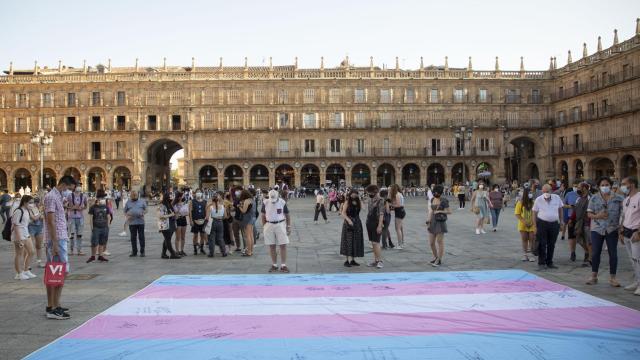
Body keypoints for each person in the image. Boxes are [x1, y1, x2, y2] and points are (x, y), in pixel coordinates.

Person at [44, 175, 77, 320]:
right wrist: (55, 243)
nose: (68, 192)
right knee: (60, 273)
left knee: (55, 273)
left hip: (59, 238)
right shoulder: (52, 196)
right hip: (56, 240)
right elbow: (50, 221)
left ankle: (52, 305)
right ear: (63, 184)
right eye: (68, 189)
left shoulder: (57, 196)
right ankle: (54, 308)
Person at [586, 176, 624, 286]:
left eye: (607, 185)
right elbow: (589, 214)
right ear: (598, 187)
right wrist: (598, 215)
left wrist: (621, 228)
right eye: (602, 185)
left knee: (613, 254)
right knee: (595, 253)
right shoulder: (594, 198)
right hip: (597, 229)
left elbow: (624, 214)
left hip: (612, 229)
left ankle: (613, 278)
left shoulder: (618, 198)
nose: (605, 187)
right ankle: (594, 276)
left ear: (611, 185)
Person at [532, 184, 564, 271]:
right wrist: (534, 225)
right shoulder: (538, 200)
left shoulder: (557, 198)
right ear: (542, 191)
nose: (546, 193)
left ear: (551, 191)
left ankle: (549, 262)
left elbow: (560, 209)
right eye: (545, 191)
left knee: (551, 244)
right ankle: (541, 263)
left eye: (548, 191)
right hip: (542, 223)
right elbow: (534, 213)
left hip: (554, 224)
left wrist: (561, 221)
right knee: (542, 243)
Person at [261, 190, 292, 273]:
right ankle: (274, 264)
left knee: (283, 245)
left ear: (278, 196)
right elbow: (263, 215)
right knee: (271, 246)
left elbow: (287, 214)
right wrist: (264, 226)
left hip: (280, 224)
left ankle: (283, 265)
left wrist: (288, 226)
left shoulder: (282, 202)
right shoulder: (265, 202)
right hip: (269, 224)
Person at [620, 176, 640, 295]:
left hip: (635, 232)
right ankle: (637, 281)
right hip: (626, 231)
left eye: (623, 183)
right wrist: (621, 231)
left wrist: (638, 231)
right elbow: (624, 216)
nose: (622, 186)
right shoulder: (626, 199)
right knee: (632, 259)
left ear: (631, 184)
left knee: (638, 259)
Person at [12, 195, 37, 280]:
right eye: (30, 202)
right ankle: (19, 273)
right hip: (19, 235)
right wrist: (19, 239)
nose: (32, 204)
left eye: (32, 202)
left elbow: (30, 220)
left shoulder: (27, 210)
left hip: (26, 234)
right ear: (24, 202)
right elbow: (16, 225)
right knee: (19, 254)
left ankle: (26, 270)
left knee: (31, 252)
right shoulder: (18, 211)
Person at [426, 185, 451, 267]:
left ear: (440, 193)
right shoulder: (432, 199)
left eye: (436, 192)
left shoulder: (444, 200)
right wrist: (428, 220)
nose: (434, 193)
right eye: (434, 191)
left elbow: (449, 212)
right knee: (431, 243)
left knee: (440, 242)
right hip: (432, 221)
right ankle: (435, 257)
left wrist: (440, 211)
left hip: (440, 222)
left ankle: (439, 259)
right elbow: (431, 211)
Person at [86, 189, 112, 263]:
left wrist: (108, 226)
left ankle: (100, 256)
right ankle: (93, 256)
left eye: (103, 198)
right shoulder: (93, 207)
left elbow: (108, 216)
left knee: (102, 242)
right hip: (96, 227)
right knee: (94, 242)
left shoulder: (106, 207)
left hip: (104, 227)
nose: (102, 200)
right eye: (101, 198)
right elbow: (91, 218)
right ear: (97, 199)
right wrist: (92, 227)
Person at [340, 189, 364, 267]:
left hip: (357, 222)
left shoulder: (358, 202)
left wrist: (360, 199)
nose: (354, 195)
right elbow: (343, 213)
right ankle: (347, 260)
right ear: (350, 194)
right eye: (352, 194)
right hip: (348, 223)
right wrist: (349, 220)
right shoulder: (347, 202)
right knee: (348, 241)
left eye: (355, 194)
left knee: (356, 240)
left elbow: (364, 208)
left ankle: (353, 259)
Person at [365, 185, 385, 269]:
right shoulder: (370, 199)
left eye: (370, 193)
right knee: (373, 243)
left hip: (376, 223)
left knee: (376, 242)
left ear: (375, 192)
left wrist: (380, 225)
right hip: (369, 222)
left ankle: (380, 261)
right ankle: (376, 260)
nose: (369, 194)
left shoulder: (380, 200)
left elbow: (381, 214)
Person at [514, 187, 536, 262]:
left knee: (532, 239)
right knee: (524, 239)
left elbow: (536, 213)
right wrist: (524, 221)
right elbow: (517, 214)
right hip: (523, 224)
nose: (531, 194)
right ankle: (525, 254)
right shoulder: (520, 202)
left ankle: (531, 254)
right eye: (529, 192)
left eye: (531, 192)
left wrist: (533, 222)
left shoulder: (534, 202)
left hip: (532, 224)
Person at [66, 183, 87, 256]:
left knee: (79, 234)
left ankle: (79, 250)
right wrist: (72, 208)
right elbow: (64, 205)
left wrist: (81, 208)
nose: (79, 188)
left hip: (80, 217)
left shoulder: (83, 196)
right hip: (71, 217)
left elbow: (86, 206)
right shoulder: (70, 195)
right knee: (72, 234)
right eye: (78, 186)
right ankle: (71, 250)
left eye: (80, 186)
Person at [124, 190, 147, 257]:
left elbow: (146, 209)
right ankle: (134, 251)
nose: (134, 196)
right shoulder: (128, 202)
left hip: (140, 222)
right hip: (132, 222)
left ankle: (142, 251)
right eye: (133, 195)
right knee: (133, 237)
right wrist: (128, 216)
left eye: (135, 195)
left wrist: (143, 213)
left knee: (141, 237)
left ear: (138, 195)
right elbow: (125, 211)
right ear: (131, 195)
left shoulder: (142, 201)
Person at [158, 191, 180, 259]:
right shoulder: (162, 205)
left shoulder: (169, 204)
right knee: (168, 240)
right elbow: (160, 216)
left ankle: (163, 254)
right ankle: (172, 253)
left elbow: (172, 212)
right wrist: (171, 215)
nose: (171, 198)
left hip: (171, 224)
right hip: (165, 225)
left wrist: (175, 215)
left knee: (167, 239)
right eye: (170, 196)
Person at [205, 192, 227, 257]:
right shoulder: (222, 206)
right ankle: (224, 252)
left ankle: (211, 253)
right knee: (220, 238)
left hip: (213, 222)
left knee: (211, 238)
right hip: (220, 222)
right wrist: (220, 218)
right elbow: (225, 216)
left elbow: (207, 217)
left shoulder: (210, 207)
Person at [28, 197, 46, 268]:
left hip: (39, 228)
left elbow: (42, 218)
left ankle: (39, 261)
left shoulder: (41, 208)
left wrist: (41, 213)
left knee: (39, 246)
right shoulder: (29, 209)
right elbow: (34, 218)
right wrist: (40, 213)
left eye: (38, 202)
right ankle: (27, 264)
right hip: (31, 227)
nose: (36, 204)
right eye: (34, 202)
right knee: (30, 246)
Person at [190, 189, 208, 255]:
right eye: (197, 192)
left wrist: (206, 219)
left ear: (202, 193)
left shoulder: (205, 202)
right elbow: (190, 211)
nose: (198, 193)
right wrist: (191, 220)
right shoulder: (192, 201)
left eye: (200, 192)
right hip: (195, 221)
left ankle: (202, 248)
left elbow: (206, 211)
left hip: (202, 221)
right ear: (195, 193)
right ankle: (195, 249)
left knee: (202, 235)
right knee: (195, 235)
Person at [238, 190, 256, 256]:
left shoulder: (246, 201)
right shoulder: (252, 200)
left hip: (248, 218)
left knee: (248, 235)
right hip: (253, 218)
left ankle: (249, 251)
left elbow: (243, 211)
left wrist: (239, 206)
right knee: (251, 235)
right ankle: (251, 251)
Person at [389, 184, 406, 250]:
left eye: (390, 189)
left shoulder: (397, 194)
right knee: (400, 228)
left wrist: (391, 204)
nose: (390, 190)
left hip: (399, 211)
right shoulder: (399, 194)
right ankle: (402, 243)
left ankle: (400, 244)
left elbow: (398, 205)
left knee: (397, 228)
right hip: (401, 211)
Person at [172, 191, 189, 255]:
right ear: (179, 197)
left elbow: (187, 212)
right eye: (182, 196)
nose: (183, 197)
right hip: (178, 220)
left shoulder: (185, 203)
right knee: (178, 236)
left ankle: (182, 250)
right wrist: (180, 208)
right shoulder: (174, 204)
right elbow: (175, 213)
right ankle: (177, 250)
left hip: (183, 219)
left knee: (183, 236)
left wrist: (182, 212)